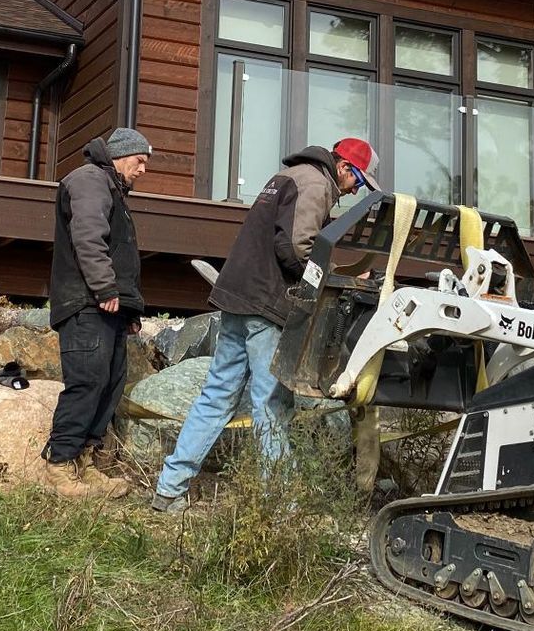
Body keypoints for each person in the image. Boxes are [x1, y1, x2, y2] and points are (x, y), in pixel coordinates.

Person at [150, 137, 379, 512]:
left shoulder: (288, 175)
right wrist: (332, 279)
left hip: (238, 297)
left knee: (216, 396)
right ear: (343, 167)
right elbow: (296, 247)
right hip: (266, 305)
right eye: (358, 180)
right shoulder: (317, 184)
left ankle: (169, 488)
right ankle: (283, 506)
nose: (355, 189)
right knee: (271, 403)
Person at [44, 126, 150, 497]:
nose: (142, 170)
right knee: (87, 383)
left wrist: (129, 311)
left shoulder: (111, 188)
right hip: (87, 304)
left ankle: (85, 464)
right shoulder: (90, 180)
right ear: (120, 155)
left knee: (108, 384)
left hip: (108, 308)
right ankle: (60, 469)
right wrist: (105, 287)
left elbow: (118, 252)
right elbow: (88, 236)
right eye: (139, 161)